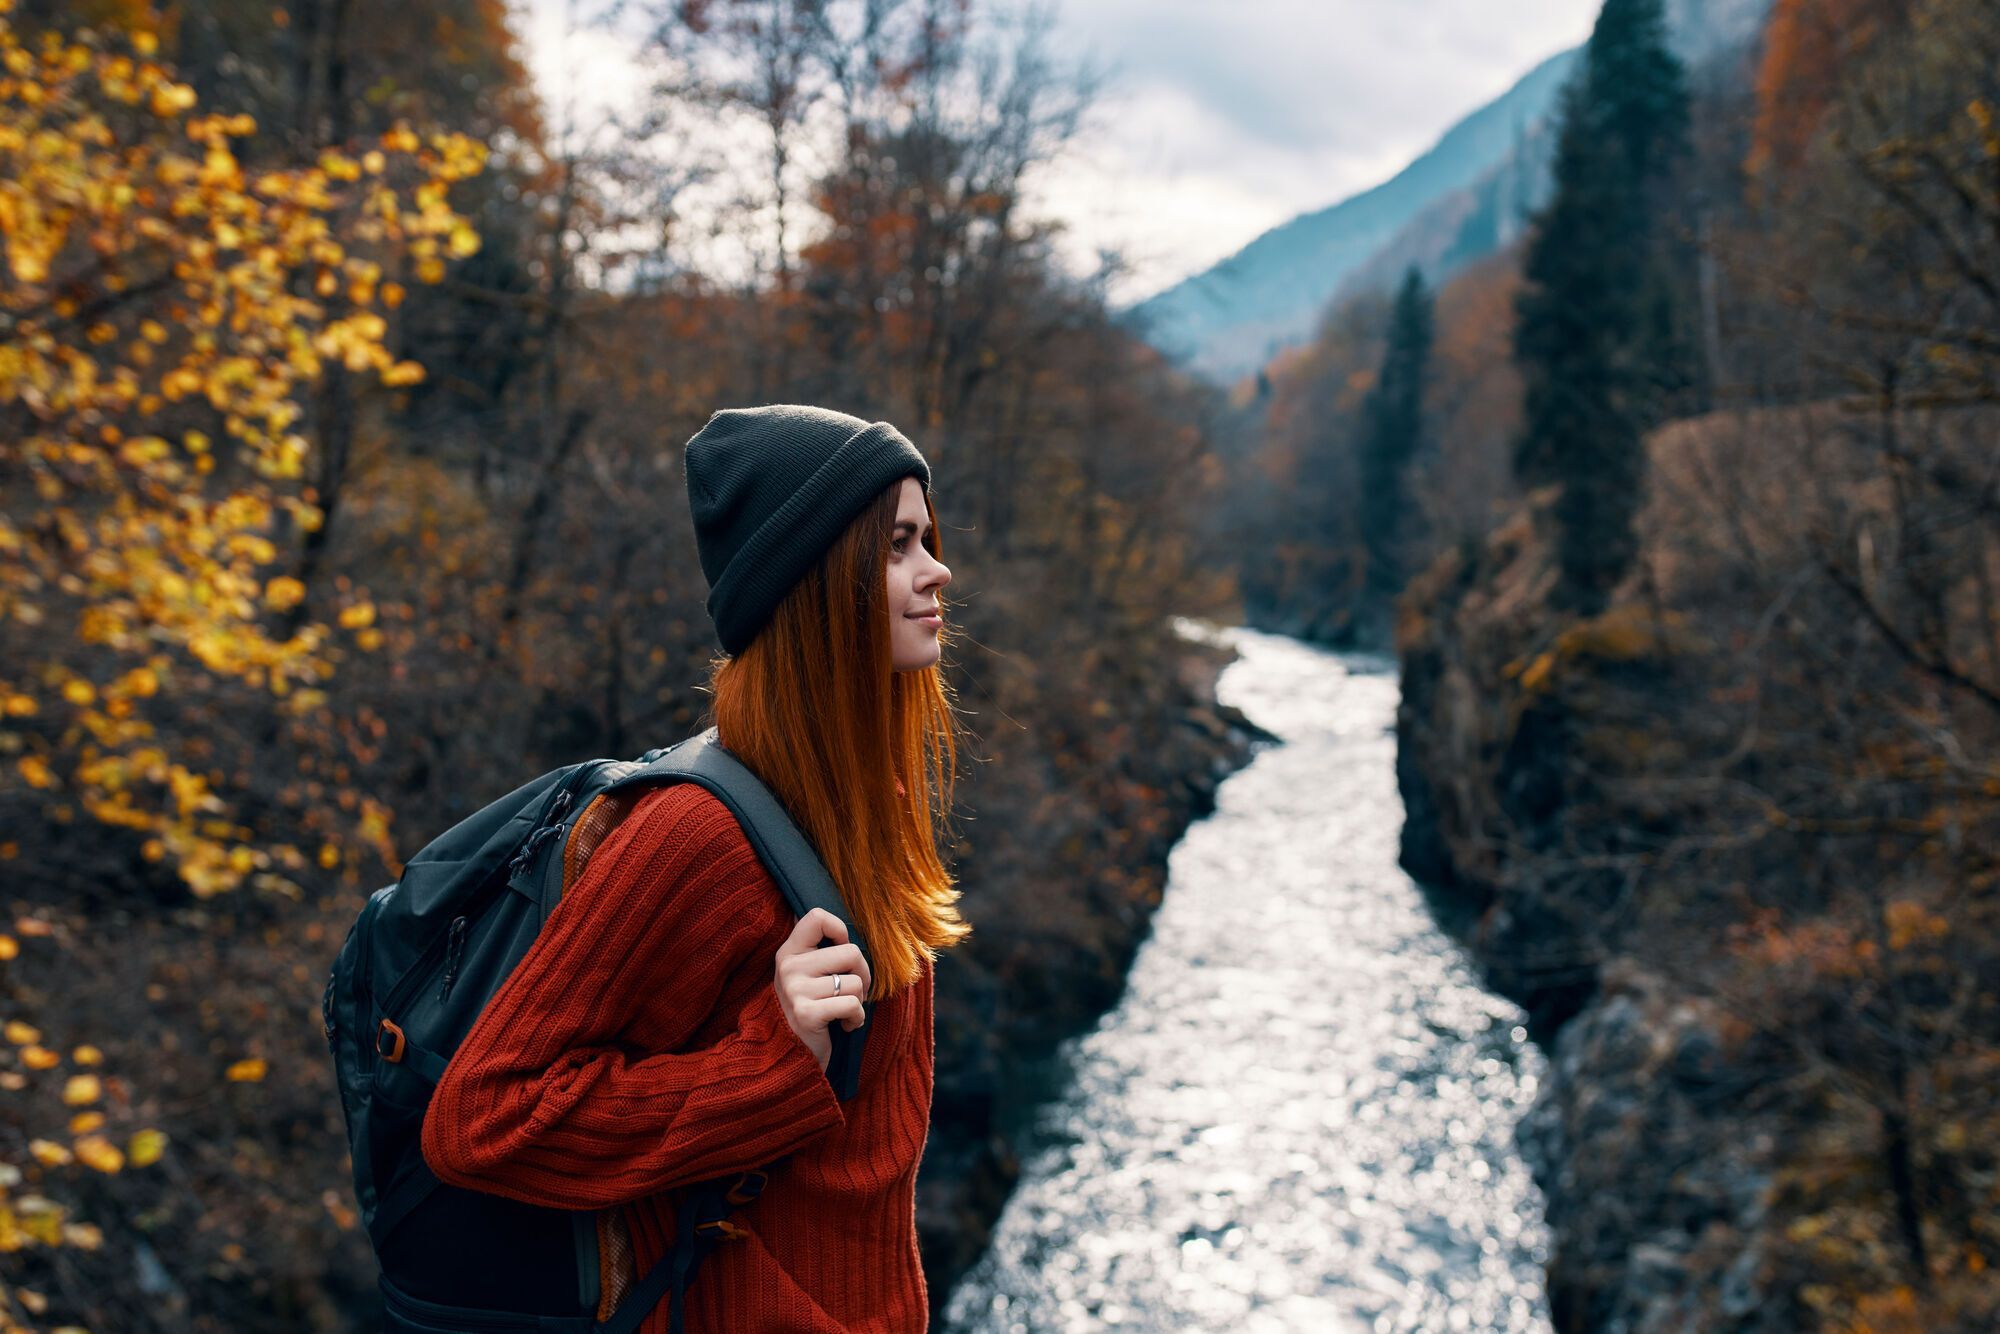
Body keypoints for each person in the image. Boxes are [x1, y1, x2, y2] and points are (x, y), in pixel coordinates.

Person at [420, 404, 971, 1331]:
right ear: (814, 586)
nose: (936, 570)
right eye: (898, 546)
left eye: (927, 538)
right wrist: (767, 1065)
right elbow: (482, 1118)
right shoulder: (696, 838)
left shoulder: (868, 803)